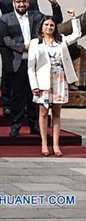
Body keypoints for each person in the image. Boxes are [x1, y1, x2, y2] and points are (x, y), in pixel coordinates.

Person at [0, 0, 63, 138]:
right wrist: (23, 46)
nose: (21, 4)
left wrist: (54, 4)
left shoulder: (36, 16)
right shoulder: (6, 19)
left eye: (24, 2)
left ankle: (35, 126)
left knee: (35, 95)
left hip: (36, 63)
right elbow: (3, 38)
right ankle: (16, 126)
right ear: (14, 4)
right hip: (17, 62)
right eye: (18, 2)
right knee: (18, 96)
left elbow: (55, 20)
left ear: (28, 3)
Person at [28, 12, 82, 156]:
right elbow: (30, 67)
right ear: (41, 28)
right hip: (43, 81)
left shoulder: (61, 40)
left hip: (59, 80)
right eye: (46, 25)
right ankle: (44, 144)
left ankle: (56, 145)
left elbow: (76, 35)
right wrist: (34, 86)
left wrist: (74, 19)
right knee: (43, 112)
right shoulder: (35, 43)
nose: (49, 27)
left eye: (52, 25)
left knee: (57, 113)